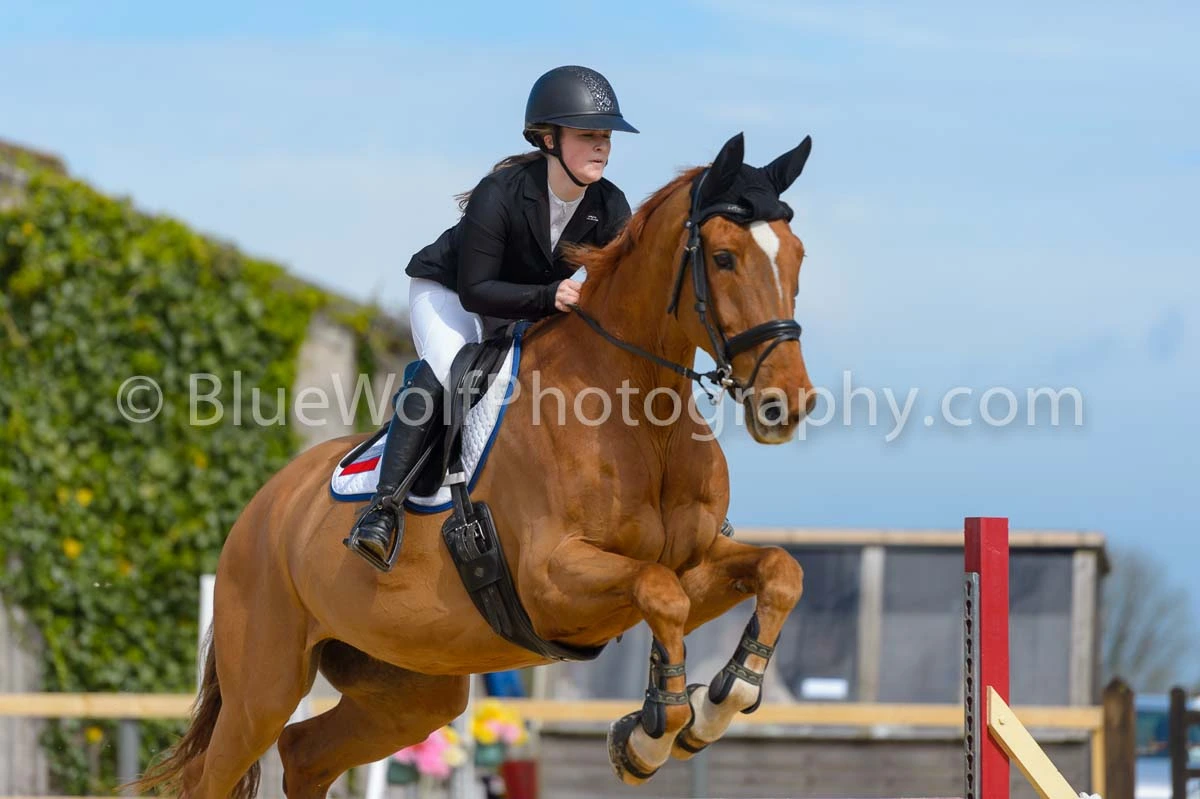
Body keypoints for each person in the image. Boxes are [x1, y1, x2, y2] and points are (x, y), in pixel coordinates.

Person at [344, 65, 638, 571]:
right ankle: (383, 509)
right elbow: (477, 291)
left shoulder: (610, 206)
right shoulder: (500, 192)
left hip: (529, 304)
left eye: (606, 137)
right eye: (588, 135)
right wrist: (550, 296)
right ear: (549, 139)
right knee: (449, 367)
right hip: (451, 293)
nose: (601, 146)